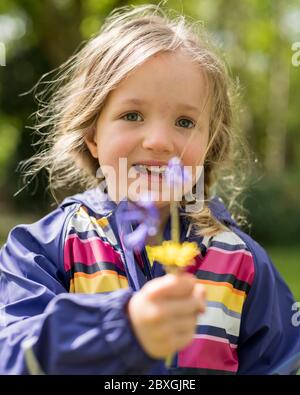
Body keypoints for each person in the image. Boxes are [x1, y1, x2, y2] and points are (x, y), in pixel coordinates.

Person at [0, 4, 299, 375]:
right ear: (93, 134)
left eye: (185, 121)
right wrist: (118, 328)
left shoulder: (244, 266)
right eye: (132, 115)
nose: (159, 141)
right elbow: (11, 357)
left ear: (209, 144)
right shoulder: (42, 251)